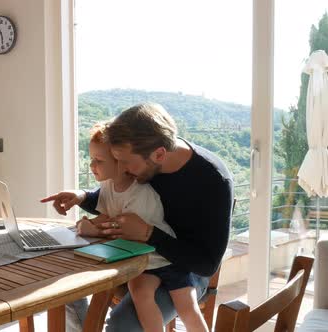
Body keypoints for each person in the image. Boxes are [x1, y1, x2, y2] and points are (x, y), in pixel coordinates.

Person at [41, 103, 234, 331]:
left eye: (124, 161)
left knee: (123, 326)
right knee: (64, 285)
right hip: (138, 256)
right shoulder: (143, 164)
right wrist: (82, 197)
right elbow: (120, 199)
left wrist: (148, 234)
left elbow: (206, 265)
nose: (120, 168)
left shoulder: (212, 180)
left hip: (186, 269)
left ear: (159, 154)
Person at [81, 121, 209, 331]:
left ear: (121, 163)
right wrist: (90, 223)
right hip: (143, 263)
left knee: (187, 306)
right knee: (141, 296)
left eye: (98, 160)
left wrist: (94, 230)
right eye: (92, 158)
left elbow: (121, 227)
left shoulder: (139, 193)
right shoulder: (107, 187)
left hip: (167, 259)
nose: (91, 165)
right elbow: (106, 214)